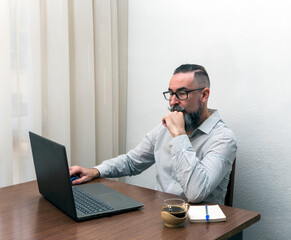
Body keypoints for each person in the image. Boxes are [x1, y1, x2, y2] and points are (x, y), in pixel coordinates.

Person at [70, 64, 237, 204]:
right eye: (171, 93)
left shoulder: (223, 139)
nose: (173, 102)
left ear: (204, 95)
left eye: (182, 93)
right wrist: (95, 171)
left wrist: (179, 135)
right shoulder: (164, 129)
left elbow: (196, 193)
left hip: (200, 227)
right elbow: (131, 162)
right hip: (161, 216)